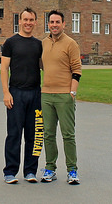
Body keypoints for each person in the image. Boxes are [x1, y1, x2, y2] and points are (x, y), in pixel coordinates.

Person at [0, 7, 43, 184]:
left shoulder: (39, 44)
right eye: (25, 19)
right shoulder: (11, 43)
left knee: (35, 134)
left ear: (35, 22)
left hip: (35, 94)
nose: (28, 23)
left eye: (31, 20)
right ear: (19, 21)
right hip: (16, 93)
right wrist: (6, 92)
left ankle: (30, 171)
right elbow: (4, 69)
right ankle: (10, 171)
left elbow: (45, 66)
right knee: (14, 134)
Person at [40, 10, 82, 185]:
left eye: (57, 22)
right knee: (48, 134)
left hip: (65, 95)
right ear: (48, 24)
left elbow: (77, 70)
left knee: (68, 134)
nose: (54, 25)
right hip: (46, 95)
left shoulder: (71, 44)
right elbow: (42, 66)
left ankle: (72, 170)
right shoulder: (43, 43)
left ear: (64, 24)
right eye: (51, 22)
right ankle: (50, 168)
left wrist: (72, 93)